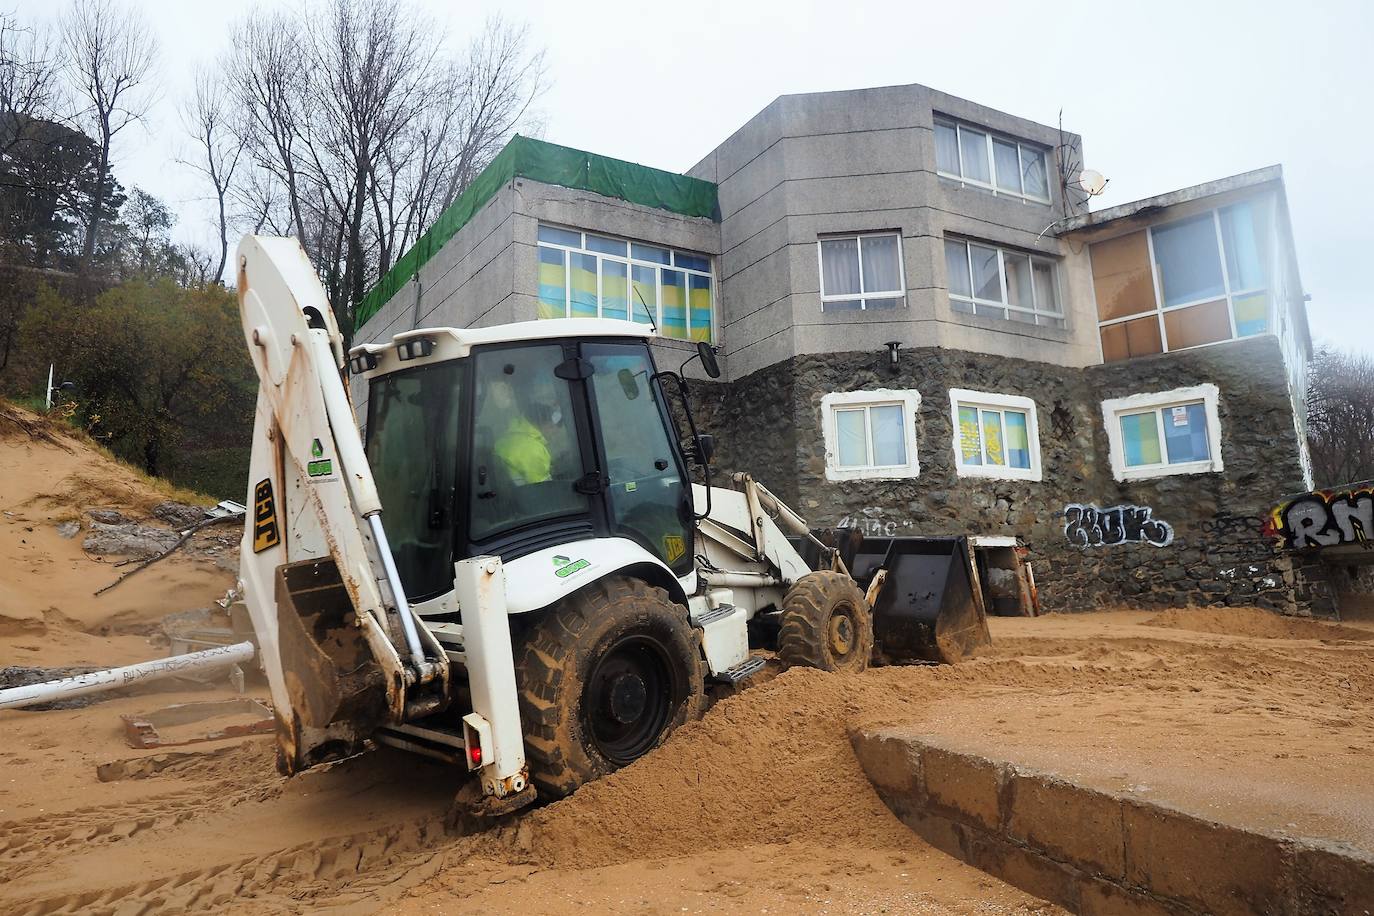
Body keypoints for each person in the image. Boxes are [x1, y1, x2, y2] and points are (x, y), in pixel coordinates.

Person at [485, 378, 552, 485]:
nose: (554, 429)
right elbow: (544, 490)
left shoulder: (507, 437)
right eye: (552, 425)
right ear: (543, 423)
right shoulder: (533, 450)